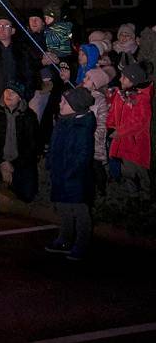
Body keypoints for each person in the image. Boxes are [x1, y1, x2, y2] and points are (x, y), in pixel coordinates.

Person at [44, 86, 96, 260]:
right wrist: (51, 162)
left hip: (76, 178)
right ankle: (64, 239)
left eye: (64, 102)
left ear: (75, 106)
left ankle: (82, 243)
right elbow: (54, 145)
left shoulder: (83, 127)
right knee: (63, 208)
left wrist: (72, 172)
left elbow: (83, 154)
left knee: (80, 211)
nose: (60, 104)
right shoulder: (63, 121)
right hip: (60, 174)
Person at [0, 80, 39, 214]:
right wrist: (2, 162)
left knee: (28, 195)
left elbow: (32, 146)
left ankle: (12, 184)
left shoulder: (29, 117)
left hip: (20, 162)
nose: (8, 95)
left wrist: (13, 166)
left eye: (13, 92)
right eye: (6, 91)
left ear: (20, 97)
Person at [106, 62, 153, 197]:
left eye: (124, 77)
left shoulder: (141, 99)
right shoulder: (121, 94)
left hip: (134, 141)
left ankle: (145, 193)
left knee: (138, 168)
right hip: (121, 139)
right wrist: (110, 127)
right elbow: (113, 112)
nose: (120, 79)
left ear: (133, 81)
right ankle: (131, 192)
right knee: (126, 168)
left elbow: (139, 122)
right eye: (121, 76)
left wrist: (119, 132)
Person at [0, 17, 37, 108]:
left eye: (6, 26)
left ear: (12, 31)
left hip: (16, 102)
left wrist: (25, 96)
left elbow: (29, 75)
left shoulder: (22, 51)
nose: (2, 28)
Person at [82, 66, 111, 196]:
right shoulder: (84, 96)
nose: (84, 79)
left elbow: (102, 124)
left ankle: (101, 189)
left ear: (95, 84)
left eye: (88, 78)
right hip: (84, 139)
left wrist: (93, 136)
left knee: (96, 166)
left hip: (95, 141)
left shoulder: (100, 101)